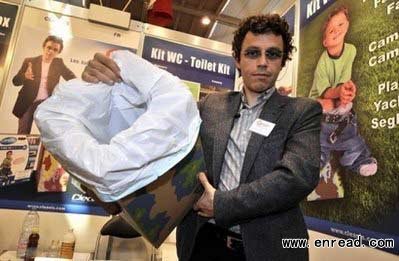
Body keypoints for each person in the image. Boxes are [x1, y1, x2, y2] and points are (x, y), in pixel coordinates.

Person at [82, 14, 322, 261]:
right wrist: (112, 85)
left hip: (269, 249)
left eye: (272, 54)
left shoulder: (301, 111)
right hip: (205, 243)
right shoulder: (210, 106)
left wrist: (221, 203)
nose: (262, 62)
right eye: (252, 53)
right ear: (237, 59)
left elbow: (296, 177)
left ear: (282, 61)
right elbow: (157, 137)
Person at [308, 6, 377, 178]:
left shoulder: (351, 50)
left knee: (345, 109)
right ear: (325, 42)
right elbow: (325, 93)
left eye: (340, 25)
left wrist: (346, 90)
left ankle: (359, 159)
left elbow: (343, 82)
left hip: (337, 99)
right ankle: (317, 159)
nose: (336, 30)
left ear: (347, 26)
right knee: (327, 105)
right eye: (331, 30)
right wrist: (340, 92)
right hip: (319, 102)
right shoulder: (322, 63)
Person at [12, 35, 76, 134]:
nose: (51, 51)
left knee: (49, 133)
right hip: (27, 102)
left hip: (45, 104)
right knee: (23, 134)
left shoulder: (58, 63)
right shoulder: (30, 61)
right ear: (44, 47)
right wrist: (24, 76)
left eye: (55, 50)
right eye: (49, 47)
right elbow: (15, 81)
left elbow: (71, 77)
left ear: (58, 52)